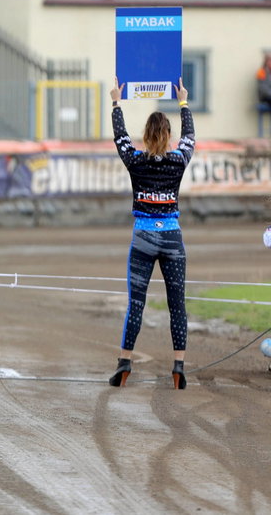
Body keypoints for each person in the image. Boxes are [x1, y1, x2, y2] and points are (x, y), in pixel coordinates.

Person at [108, 77, 194, 389]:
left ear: (145, 135)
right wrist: (183, 102)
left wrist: (117, 103)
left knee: (136, 305)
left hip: (143, 237)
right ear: (169, 136)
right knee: (177, 305)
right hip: (172, 237)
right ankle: (179, 367)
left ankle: (124, 363)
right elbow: (191, 137)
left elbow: (120, 138)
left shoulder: (135, 161)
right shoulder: (178, 160)